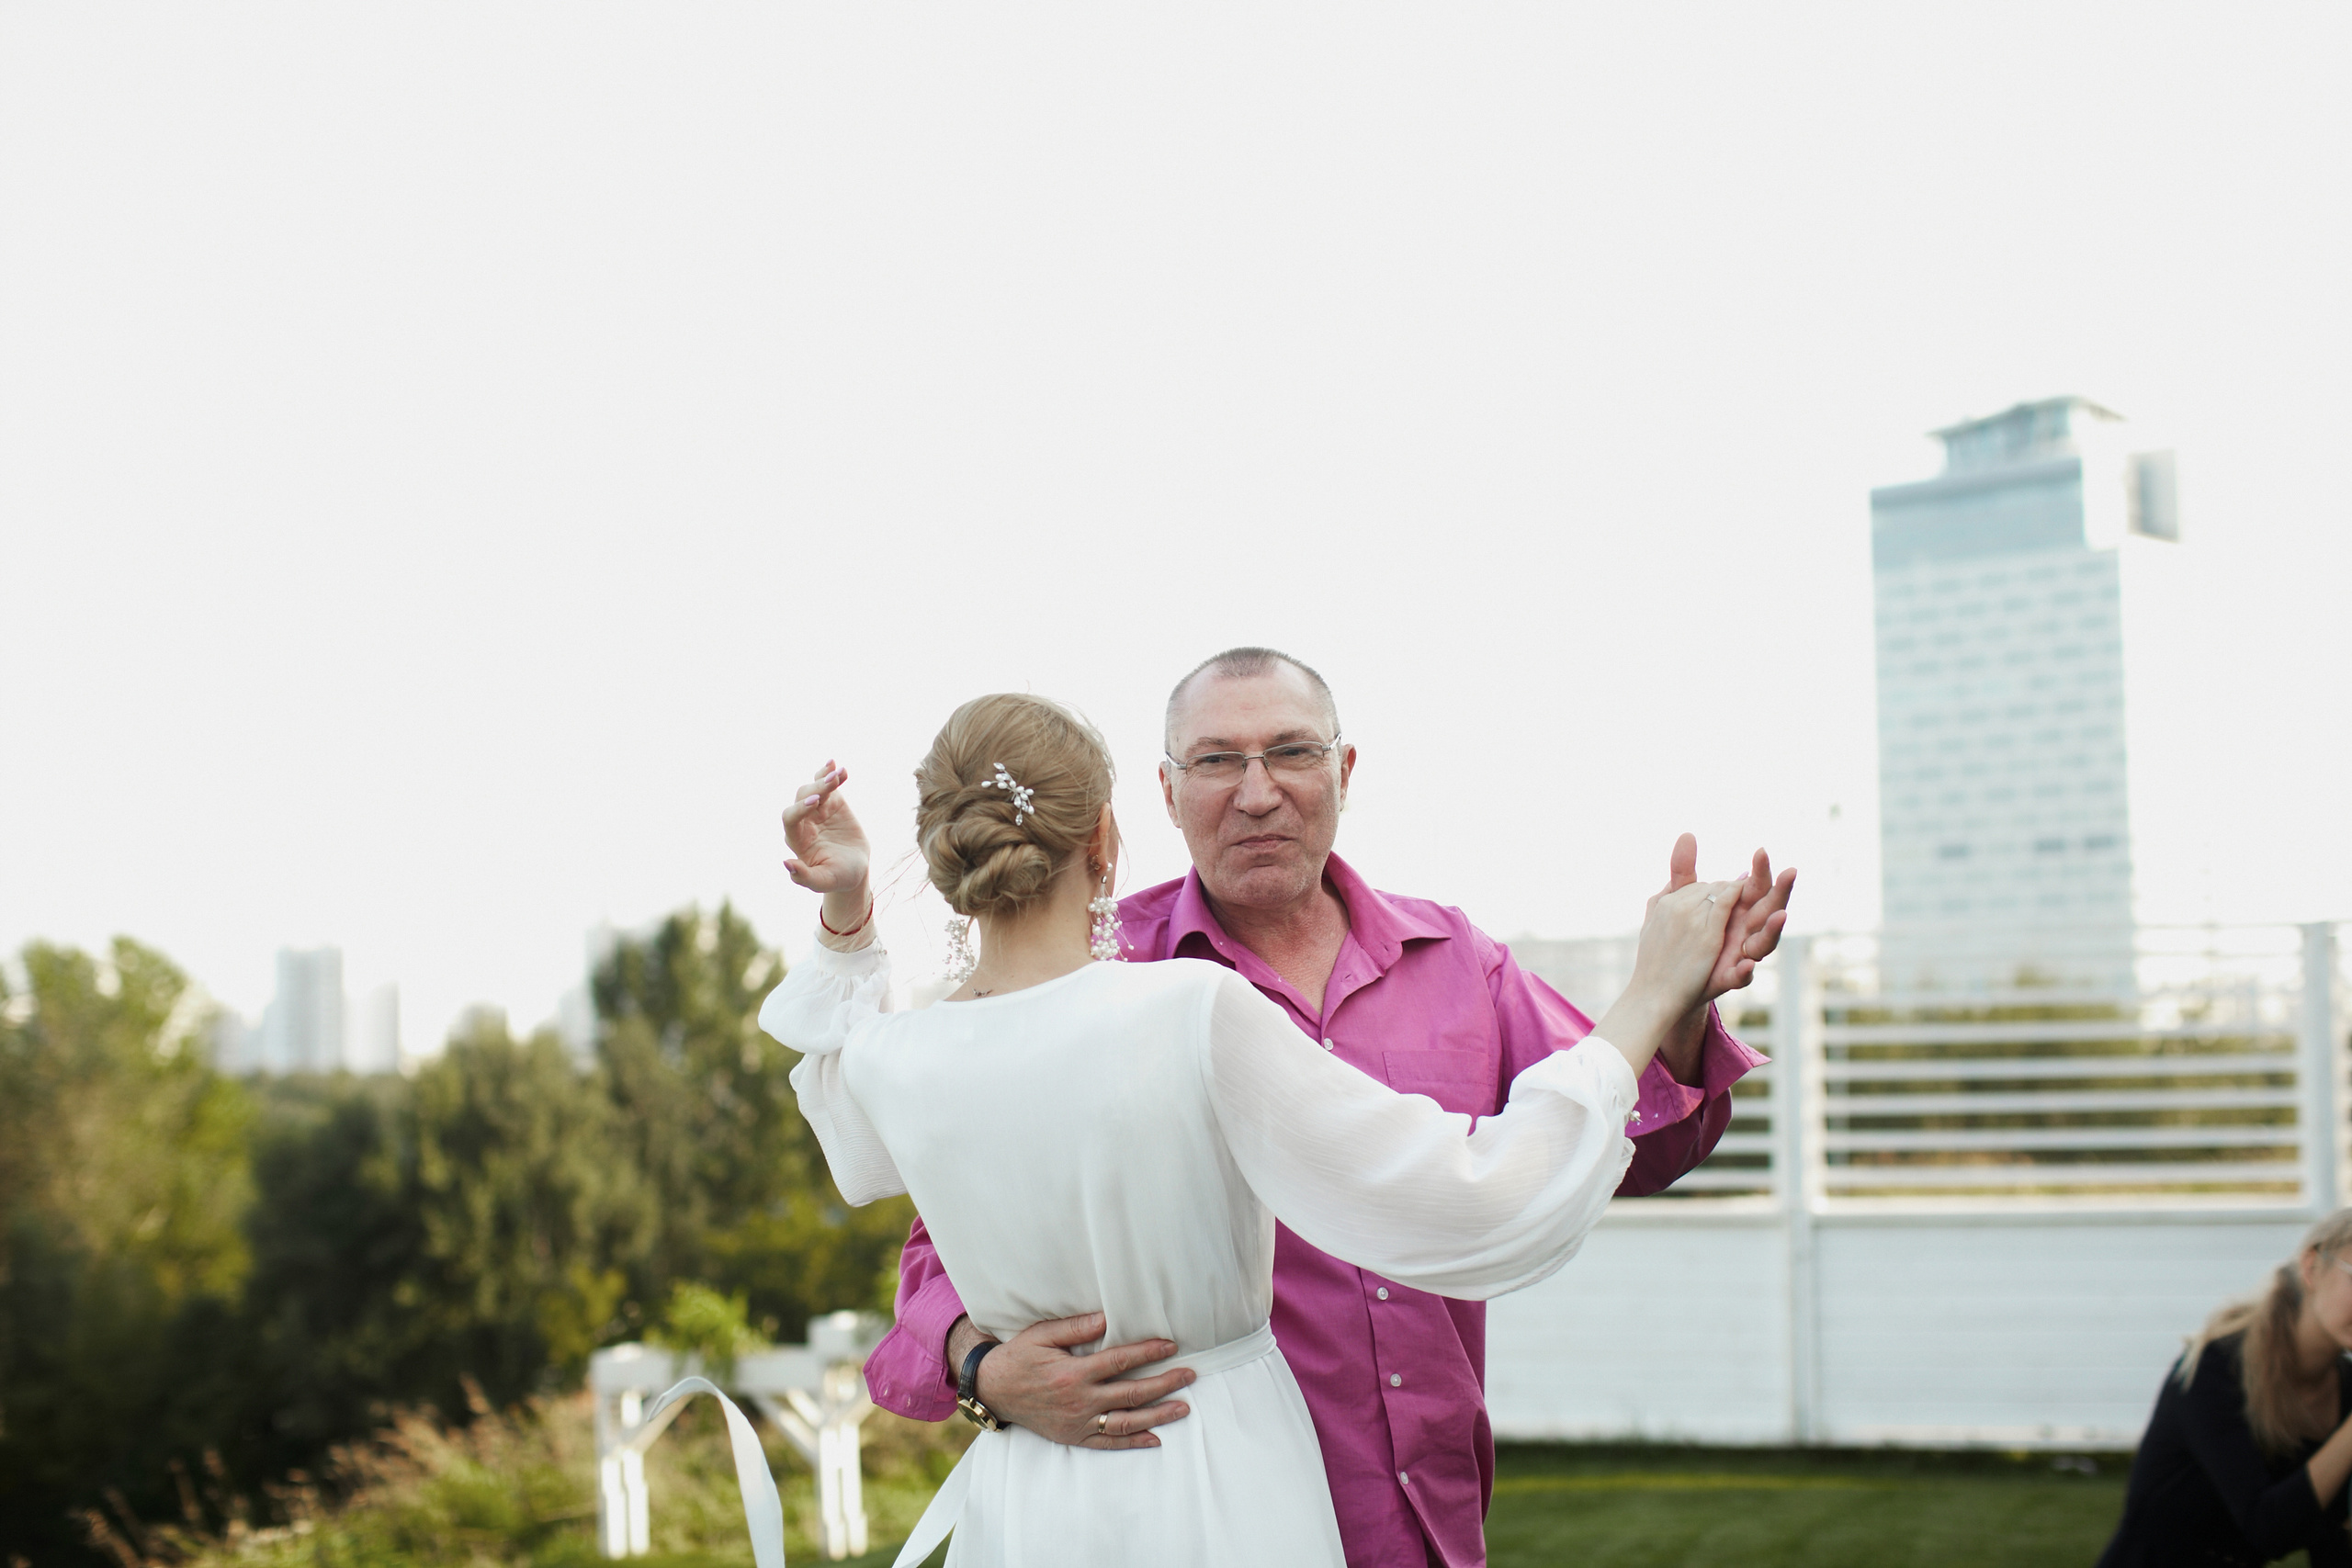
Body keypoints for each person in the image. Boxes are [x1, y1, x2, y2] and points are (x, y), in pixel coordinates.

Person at [760, 692, 1750, 1567]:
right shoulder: (1187, 1007)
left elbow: (845, 1102)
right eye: (1218, 761)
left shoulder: (889, 1059)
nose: (1258, 792)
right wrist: (1650, 990)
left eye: (1290, 753)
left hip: (1036, 1504)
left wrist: (848, 908)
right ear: (1109, 830)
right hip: (1218, 1469)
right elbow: (1479, 1193)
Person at [2098, 1210, 2352, 1566]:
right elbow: (2268, 1527)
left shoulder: (2344, 1385)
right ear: (2311, 1267)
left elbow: (2332, 1540)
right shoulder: (2217, 1368)